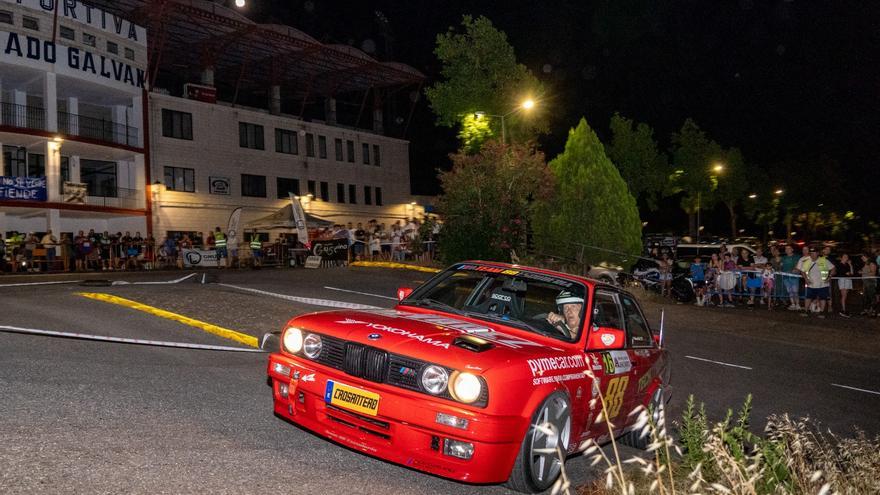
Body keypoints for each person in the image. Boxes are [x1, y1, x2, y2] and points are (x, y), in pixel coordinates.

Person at [800, 247, 835, 318]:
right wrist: (806, 279)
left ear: (818, 253)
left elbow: (833, 268)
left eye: (814, 253)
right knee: (808, 297)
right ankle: (806, 311)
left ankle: (822, 312)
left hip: (823, 284)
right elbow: (802, 271)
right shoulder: (807, 261)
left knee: (823, 298)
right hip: (811, 284)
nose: (812, 255)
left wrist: (829, 277)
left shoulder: (824, 260)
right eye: (811, 253)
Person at [780, 245, 801, 310]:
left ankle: (797, 304)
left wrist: (794, 270)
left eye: (789, 248)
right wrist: (781, 270)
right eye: (786, 249)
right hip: (786, 277)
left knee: (795, 291)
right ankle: (792, 304)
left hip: (794, 276)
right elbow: (781, 266)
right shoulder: (783, 258)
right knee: (789, 291)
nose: (787, 250)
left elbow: (797, 265)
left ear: (792, 249)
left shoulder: (796, 257)